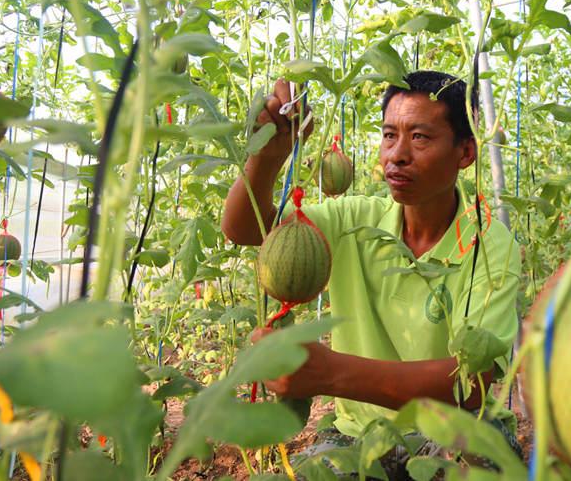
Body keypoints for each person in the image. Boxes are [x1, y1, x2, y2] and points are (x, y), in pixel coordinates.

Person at [221, 70, 522, 477]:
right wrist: (268, 155)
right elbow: (244, 228)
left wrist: (330, 373)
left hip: (452, 429)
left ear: (466, 153)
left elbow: (473, 382)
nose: (397, 154)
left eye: (420, 137)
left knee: (487, 460)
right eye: (388, 135)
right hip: (357, 433)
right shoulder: (354, 219)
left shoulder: (490, 244)